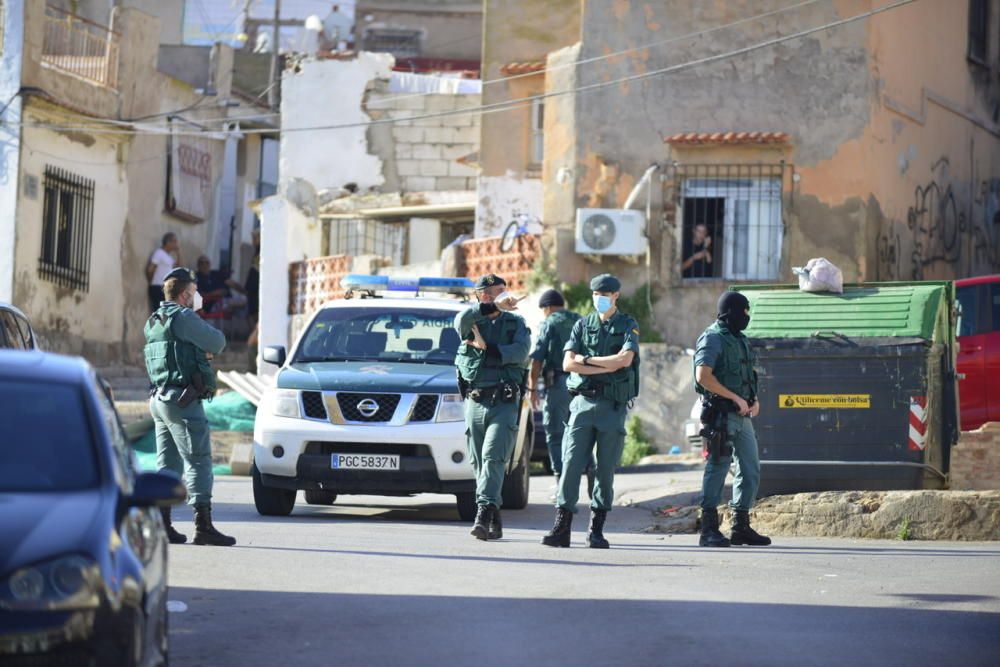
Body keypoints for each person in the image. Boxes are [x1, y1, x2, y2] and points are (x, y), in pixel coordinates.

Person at [542, 274, 640, 549]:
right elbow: (568, 364)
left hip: (612, 406)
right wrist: (600, 364)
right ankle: (561, 528)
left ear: (616, 295)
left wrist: (586, 360)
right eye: (596, 293)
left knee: (605, 470)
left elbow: (624, 360)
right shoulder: (582, 324)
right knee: (571, 465)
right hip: (582, 404)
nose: (600, 297)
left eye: (606, 293)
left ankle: (596, 530)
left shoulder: (627, 324)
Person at [144, 267, 236, 547]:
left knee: (167, 464)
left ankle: (163, 524)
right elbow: (218, 341)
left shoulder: (154, 320)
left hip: (159, 399)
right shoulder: (182, 316)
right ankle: (203, 525)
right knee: (198, 459)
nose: (197, 298)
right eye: (194, 293)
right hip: (182, 400)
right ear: (185, 294)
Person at [454, 274, 530, 541]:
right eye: (494, 292)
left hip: (504, 402)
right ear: (482, 296)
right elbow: (460, 323)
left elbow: (521, 353)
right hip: (475, 402)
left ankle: (483, 513)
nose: (501, 295)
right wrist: (491, 309)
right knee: (478, 462)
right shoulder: (471, 320)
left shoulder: (516, 323)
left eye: (502, 291)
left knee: (493, 457)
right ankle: (494, 514)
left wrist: (488, 350)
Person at [693, 291, 771, 548]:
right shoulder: (713, 337)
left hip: (743, 416)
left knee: (750, 469)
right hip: (720, 415)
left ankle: (741, 526)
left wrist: (753, 399)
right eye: (744, 312)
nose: (747, 317)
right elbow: (702, 376)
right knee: (717, 468)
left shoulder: (740, 340)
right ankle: (708, 529)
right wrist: (734, 398)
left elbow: (748, 375)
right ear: (731, 312)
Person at [528, 289, 581, 492]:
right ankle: (591, 468)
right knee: (580, 432)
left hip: (559, 385)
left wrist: (532, 388)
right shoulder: (580, 320)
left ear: (547, 308)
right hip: (583, 383)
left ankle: (561, 483)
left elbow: (537, 359)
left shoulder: (549, 322)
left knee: (556, 434)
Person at [147, 233, 180, 312]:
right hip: (158, 287)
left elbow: (178, 267)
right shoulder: (159, 253)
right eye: (174, 241)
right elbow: (150, 269)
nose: (176, 244)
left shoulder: (168, 256)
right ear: (168, 242)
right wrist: (152, 282)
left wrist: (178, 253)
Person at [244, 228, 261, 330]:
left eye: (255, 238)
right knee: (251, 314)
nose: (253, 240)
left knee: (255, 314)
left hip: (256, 288)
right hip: (252, 289)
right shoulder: (256, 251)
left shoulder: (262, 251)